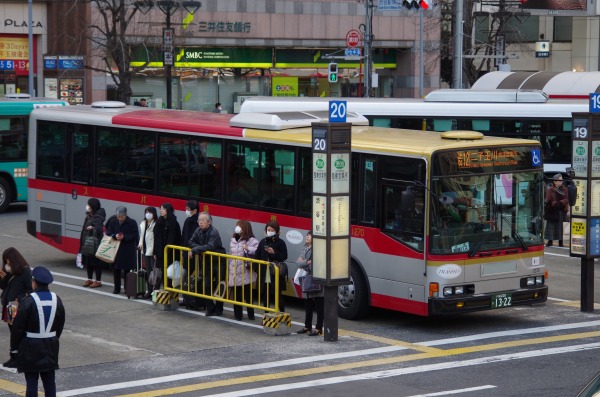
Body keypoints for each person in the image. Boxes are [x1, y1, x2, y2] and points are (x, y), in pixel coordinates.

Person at [10, 266, 65, 397]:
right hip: (50, 344)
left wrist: (14, 349)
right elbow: (60, 323)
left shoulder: (28, 301)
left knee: (32, 381)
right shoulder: (56, 299)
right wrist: (53, 338)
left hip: (30, 345)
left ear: (34, 282)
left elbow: (18, 328)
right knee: (50, 381)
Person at [188, 212, 226, 316]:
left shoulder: (214, 232)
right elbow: (190, 242)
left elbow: (210, 246)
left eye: (203, 220)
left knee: (219, 285)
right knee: (206, 284)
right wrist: (198, 248)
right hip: (206, 261)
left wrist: (195, 249)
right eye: (199, 220)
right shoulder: (198, 230)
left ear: (209, 222)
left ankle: (219, 309)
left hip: (218, 261)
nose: (200, 223)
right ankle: (210, 307)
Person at [0, 247, 33, 367]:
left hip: (16, 305)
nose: (7, 263)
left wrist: (19, 298)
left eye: (8, 260)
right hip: (9, 305)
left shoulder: (25, 271)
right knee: (12, 331)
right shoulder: (10, 272)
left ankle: (18, 357)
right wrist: (3, 276)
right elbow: (3, 286)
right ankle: (14, 356)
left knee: (17, 332)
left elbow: (30, 290)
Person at [228, 220, 259, 321]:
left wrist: (248, 248)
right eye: (237, 225)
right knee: (237, 295)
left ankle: (251, 314)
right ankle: (238, 315)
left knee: (248, 295)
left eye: (239, 226)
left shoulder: (251, 240)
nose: (237, 227)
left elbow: (257, 250)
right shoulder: (233, 239)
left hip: (246, 271)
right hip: (234, 271)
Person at [105, 206, 139, 294]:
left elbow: (135, 235)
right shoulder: (113, 221)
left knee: (127, 270)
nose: (120, 218)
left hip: (128, 249)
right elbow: (108, 232)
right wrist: (114, 236)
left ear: (126, 214)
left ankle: (127, 288)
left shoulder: (132, 222)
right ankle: (117, 288)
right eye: (118, 216)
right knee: (116, 270)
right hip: (116, 249)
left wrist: (124, 237)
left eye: (122, 216)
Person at [295, 232, 323, 336]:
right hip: (307, 277)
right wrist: (307, 262)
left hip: (316, 277)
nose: (307, 236)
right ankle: (307, 326)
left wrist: (304, 262)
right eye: (307, 235)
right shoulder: (306, 248)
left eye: (309, 235)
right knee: (308, 303)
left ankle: (319, 327)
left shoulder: (318, 249)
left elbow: (316, 263)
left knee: (319, 303)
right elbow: (298, 263)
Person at [256, 220, 288, 312]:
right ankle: (266, 316)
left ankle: (282, 314)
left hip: (276, 272)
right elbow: (257, 255)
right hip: (265, 272)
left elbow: (284, 257)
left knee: (278, 295)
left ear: (277, 231)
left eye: (272, 230)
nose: (269, 231)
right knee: (266, 295)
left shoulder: (281, 242)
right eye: (268, 229)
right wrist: (256, 269)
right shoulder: (263, 242)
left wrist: (274, 253)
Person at [80, 198, 106, 288]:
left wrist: (93, 228)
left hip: (95, 243)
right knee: (88, 262)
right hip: (87, 242)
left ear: (93, 206)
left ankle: (98, 281)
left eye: (89, 205)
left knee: (96, 263)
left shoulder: (98, 217)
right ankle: (89, 279)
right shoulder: (89, 216)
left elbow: (99, 229)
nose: (87, 206)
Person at [153, 203, 182, 280]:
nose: (161, 211)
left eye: (162, 209)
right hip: (160, 253)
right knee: (161, 272)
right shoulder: (159, 221)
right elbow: (155, 238)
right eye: (160, 209)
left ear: (167, 210)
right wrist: (155, 252)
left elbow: (176, 239)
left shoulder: (174, 223)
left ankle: (169, 290)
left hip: (170, 254)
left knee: (169, 273)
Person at [544, 173, 569, 247]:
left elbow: (567, 198)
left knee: (560, 226)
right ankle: (550, 241)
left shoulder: (565, 189)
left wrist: (562, 202)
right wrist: (554, 203)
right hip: (552, 210)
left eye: (562, 180)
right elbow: (548, 199)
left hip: (561, 209)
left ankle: (560, 242)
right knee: (551, 226)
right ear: (555, 181)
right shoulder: (550, 190)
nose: (561, 181)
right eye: (560, 180)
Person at [138, 206, 157, 299]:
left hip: (152, 251)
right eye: (146, 212)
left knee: (155, 272)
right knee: (148, 271)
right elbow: (141, 236)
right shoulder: (143, 223)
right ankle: (149, 291)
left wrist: (155, 251)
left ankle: (155, 291)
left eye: (149, 212)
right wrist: (140, 244)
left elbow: (155, 239)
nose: (147, 214)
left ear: (154, 214)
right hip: (145, 250)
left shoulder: (156, 224)